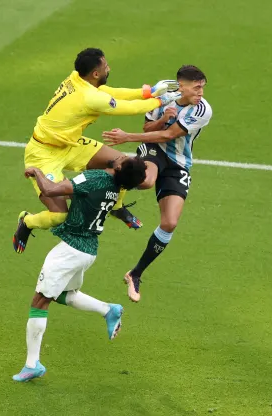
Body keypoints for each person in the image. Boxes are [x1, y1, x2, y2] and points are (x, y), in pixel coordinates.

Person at [13, 47, 180, 254]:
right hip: (43, 154)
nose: (108, 68)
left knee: (124, 163)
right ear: (95, 73)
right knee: (59, 216)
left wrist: (148, 91)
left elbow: (110, 93)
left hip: (70, 144)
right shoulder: (89, 98)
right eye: (105, 66)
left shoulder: (77, 78)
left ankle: (116, 206)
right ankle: (27, 221)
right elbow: (127, 108)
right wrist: (161, 100)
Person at [12, 156, 148, 382]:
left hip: (70, 251)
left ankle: (32, 364)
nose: (121, 155)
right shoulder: (115, 188)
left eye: (125, 158)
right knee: (65, 294)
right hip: (88, 250)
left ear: (119, 167)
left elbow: (52, 190)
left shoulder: (96, 178)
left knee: (40, 301)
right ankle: (108, 310)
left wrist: (37, 172)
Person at [101, 65, 212, 303]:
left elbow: (168, 135)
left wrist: (127, 137)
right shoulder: (163, 99)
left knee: (170, 223)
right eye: (196, 88)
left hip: (179, 163)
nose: (201, 92)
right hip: (153, 151)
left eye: (203, 87)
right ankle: (109, 185)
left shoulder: (203, 110)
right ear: (181, 86)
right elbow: (148, 129)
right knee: (146, 181)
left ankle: (135, 273)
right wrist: (162, 117)